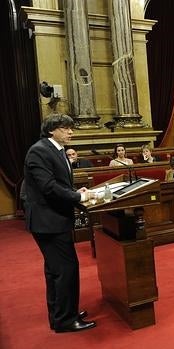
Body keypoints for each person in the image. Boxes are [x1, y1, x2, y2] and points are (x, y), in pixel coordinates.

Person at [23, 113, 96, 333]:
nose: (71, 131)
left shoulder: (55, 150)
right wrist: (79, 198)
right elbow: (48, 186)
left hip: (55, 219)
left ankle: (63, 313)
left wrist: (74, 191)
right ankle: (65, 320)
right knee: (65, 269)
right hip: (48, 221)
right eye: (66, 128)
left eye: (71, 128)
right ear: (51, 130)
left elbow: (59, 183)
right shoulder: (39, 151)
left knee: (56, 270)